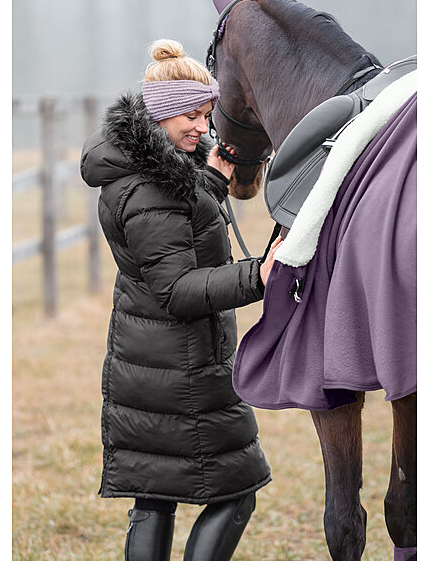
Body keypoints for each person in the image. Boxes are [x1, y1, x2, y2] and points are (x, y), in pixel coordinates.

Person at [80, 39, 282, 561]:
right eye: (190, 115)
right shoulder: (152, 187)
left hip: (153, 360)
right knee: (237, 491)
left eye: (206, 114)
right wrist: (256, 275)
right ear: (163, 114)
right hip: (181, 365)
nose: (201, 126)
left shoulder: (153, 171)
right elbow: (177, 289)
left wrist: (210, 180)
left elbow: (177, 230)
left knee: (155, 498)